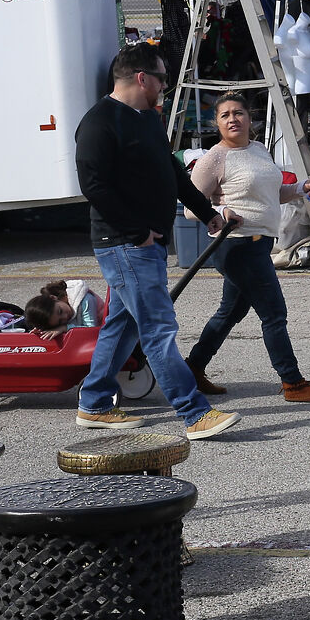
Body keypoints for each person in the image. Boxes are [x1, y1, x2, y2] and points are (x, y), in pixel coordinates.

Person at [72, 44, 239, 438]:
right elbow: (93, 186)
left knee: (123, 325)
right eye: (162, 77)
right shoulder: (98, 123)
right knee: (158, 327)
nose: (165, 85)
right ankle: (194, 413)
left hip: (144, 244)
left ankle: (94, 403)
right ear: (142, 77)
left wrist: (207, 212)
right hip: (125, 244)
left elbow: (175, 174)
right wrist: (136, 231)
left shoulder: (146, 119)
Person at [184, 91, 310, 404]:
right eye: (225, 115)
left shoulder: (259, 149)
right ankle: (293, 383)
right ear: (217, 123)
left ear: (249, 118)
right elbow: (191, 206)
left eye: (238, 113)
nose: (232, 119)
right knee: (274, 313)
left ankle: (192, 369)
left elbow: (272, 193)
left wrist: (304, 187)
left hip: (259, 244)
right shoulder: (214, 157)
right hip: (237, 245)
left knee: (230, 312)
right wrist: (221, 212)